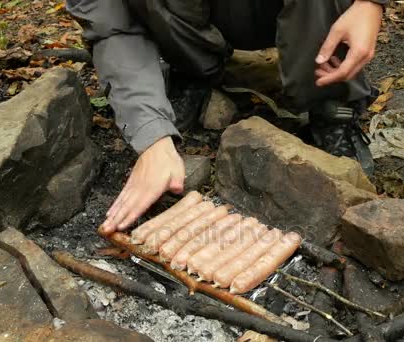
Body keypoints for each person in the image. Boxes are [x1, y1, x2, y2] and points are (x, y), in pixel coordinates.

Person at [66, 0, 385, 236]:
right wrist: (151, 137)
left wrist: (369, 4)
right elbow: (111, 27)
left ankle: (331, 106)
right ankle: (194, 69)